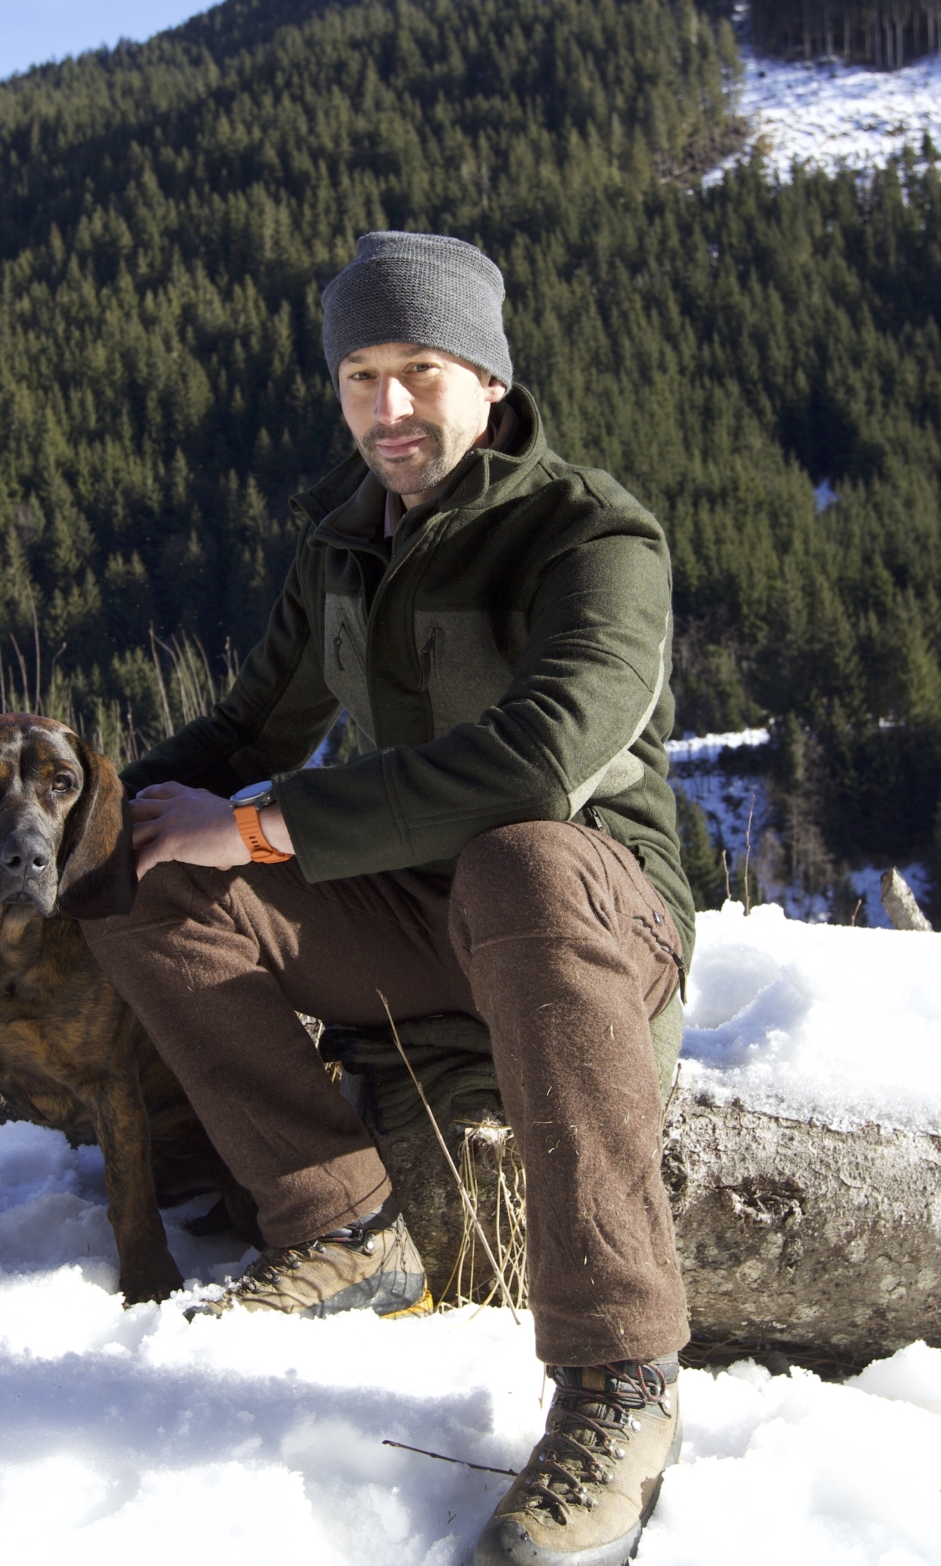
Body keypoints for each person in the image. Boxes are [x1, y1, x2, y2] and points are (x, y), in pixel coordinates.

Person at [81, 230, 696, 1566]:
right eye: (361, 378)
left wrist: (262, 826)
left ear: (487, 377)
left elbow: (543, 757)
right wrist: (83, 819)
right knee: (133, 881)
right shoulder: (343, 553)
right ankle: (344, 1222)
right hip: (414, 913)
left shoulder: (591, 534)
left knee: (517, 853)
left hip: (592, 911)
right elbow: (252, 726)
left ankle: (624, 1384)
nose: (389, 410)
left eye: (419, 371)